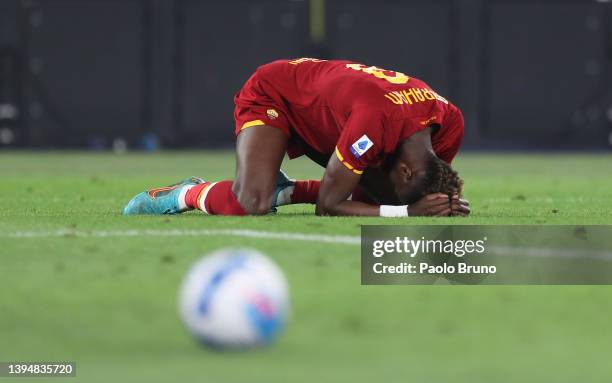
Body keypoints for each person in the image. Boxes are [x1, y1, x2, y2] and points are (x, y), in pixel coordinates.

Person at [123, 58, 470, 217]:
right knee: (252, 203)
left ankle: (286, 190)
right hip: (277, 93)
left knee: (373, 199)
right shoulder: (375, 121)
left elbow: (426, 182)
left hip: (338, 120)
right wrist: (405, 213)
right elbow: (329, 207)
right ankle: (184, 193)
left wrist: (444, 202)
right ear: (408, 171)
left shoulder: (449, 123)